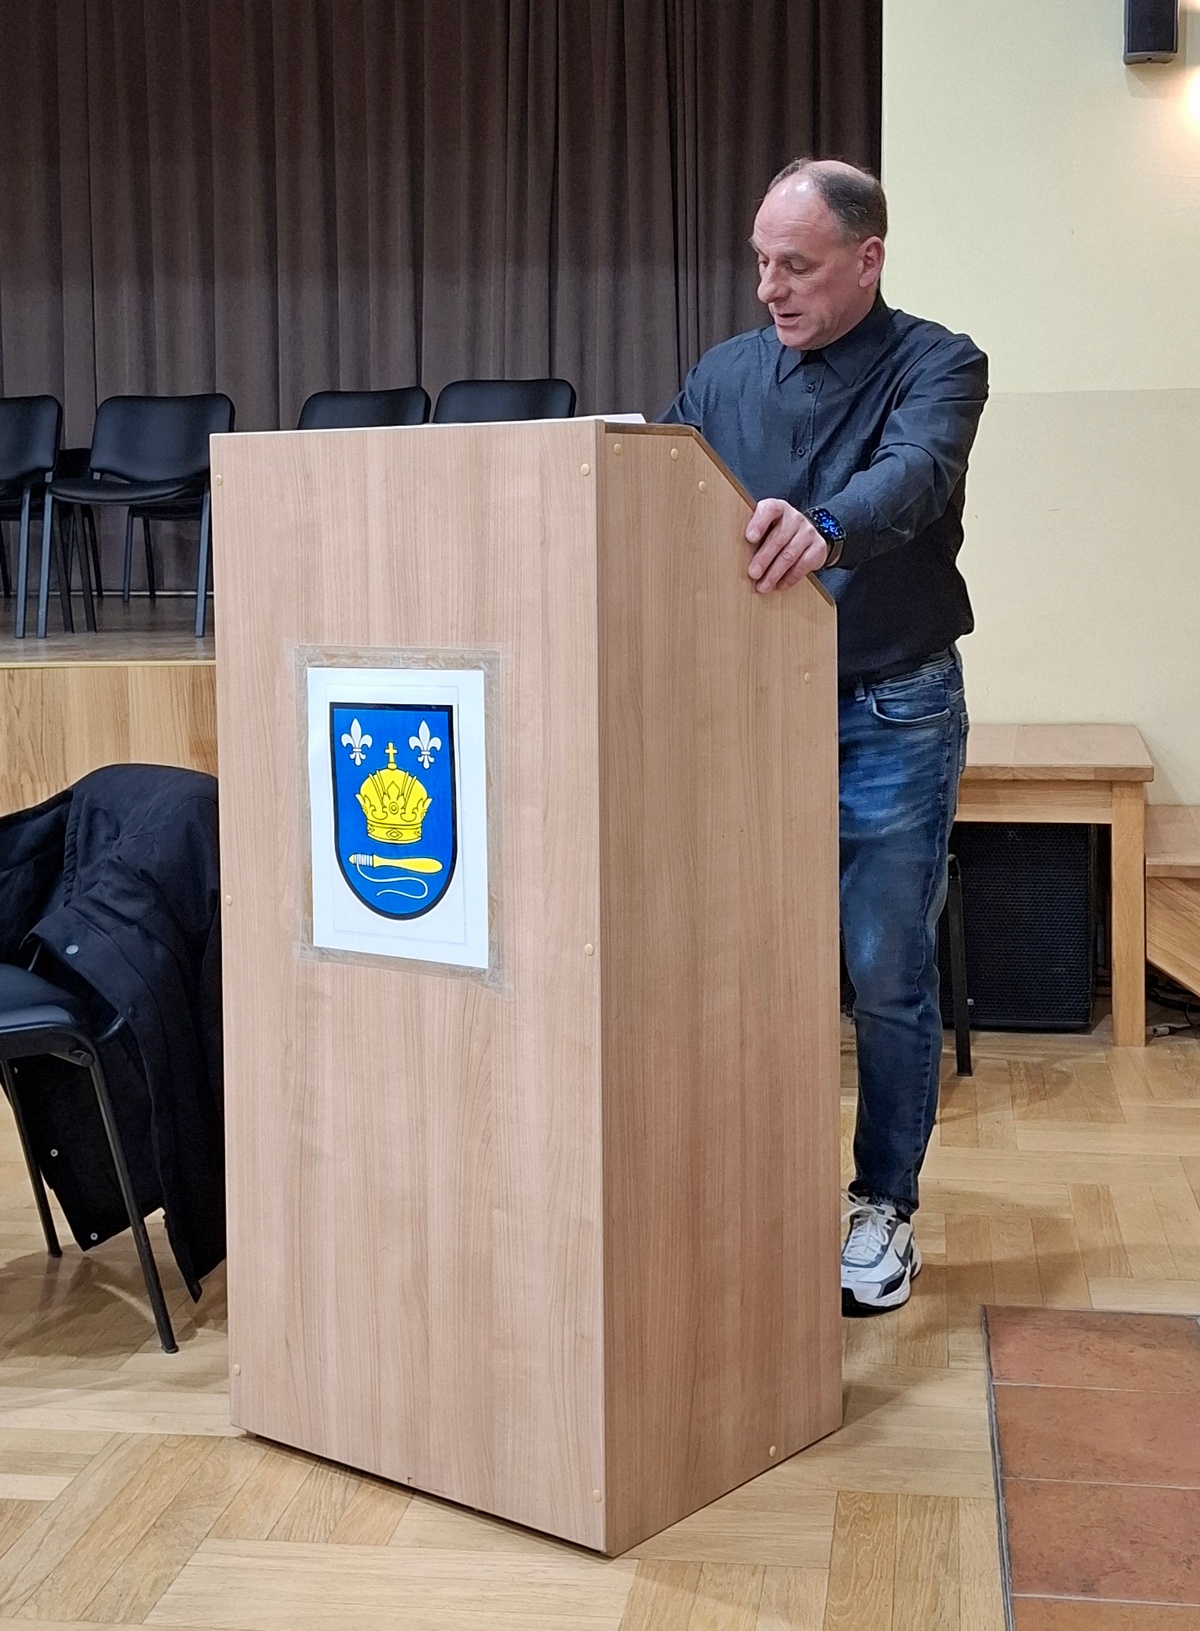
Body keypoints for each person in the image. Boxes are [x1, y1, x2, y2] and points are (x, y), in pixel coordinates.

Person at [662, 158, 988, 1315]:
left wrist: (829, 525)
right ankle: (749, 1183)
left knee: (885, 971)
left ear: (867, 258)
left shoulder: (938, 363)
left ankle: (882, 1204)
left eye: (796, 265)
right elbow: (662, 490)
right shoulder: (723, 375)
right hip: (747, 710)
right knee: (738, 959)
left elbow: (916, 474)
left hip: (890, 708)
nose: (770, 288)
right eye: (762, 262)